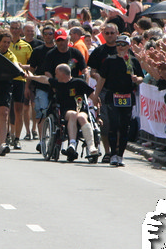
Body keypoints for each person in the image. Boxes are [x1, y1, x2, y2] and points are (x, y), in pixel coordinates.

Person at [24, 63, 99, 161]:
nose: (55, 75)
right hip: (65, 112)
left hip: (80, 110)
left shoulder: (79, 83)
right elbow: (44, 79)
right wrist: (32, 77)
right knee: (73, 114)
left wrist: (98, 115)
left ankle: (91, 146)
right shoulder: (57, 83)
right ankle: (72, 144)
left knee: (81, 117)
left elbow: (94, 97)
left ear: (62, 74)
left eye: (56, 73)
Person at [92, 34, 143, 167]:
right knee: (113, 124)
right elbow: (102, 78)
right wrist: (96, 95)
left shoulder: (133, 60)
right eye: (118, 44)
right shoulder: (110, 60)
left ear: (128, 46)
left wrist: (137, 79)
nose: (120, 47)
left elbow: (141, 77)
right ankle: (113, 154)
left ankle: (120, 155)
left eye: (123, 44)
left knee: (124, 126)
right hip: (112, 95)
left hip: (127, 96)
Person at [87, 23, 120, 163]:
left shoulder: (122, 50)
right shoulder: (98, 51)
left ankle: (116, 151)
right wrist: (99, 77)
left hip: (120, 92)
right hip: (104, 91)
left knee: (118, 123)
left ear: (117, 34)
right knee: (105, 123)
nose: (110, 35)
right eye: (107, 33)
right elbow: (92, 71)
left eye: (112, 33)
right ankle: (107, 152)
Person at [28, 23, 57, 151]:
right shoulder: (37, 51)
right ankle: (42, 140)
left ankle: (55, 139)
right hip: (41, 86)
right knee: (41, 114)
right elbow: (31, 70)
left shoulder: (59, 50)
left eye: (50, 34)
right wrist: (27, 87)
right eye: (45, 34)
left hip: (58, 86)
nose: (48, 36)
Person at [8, 20, 33, 149]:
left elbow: (31, 66)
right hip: (6, 80)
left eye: (17, 28)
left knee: (19, 110)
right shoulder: (5, 43)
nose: (14, 30)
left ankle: (17, 138)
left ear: (21, 30)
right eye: (12, 28)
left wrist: (28, 85)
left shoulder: (26, 46)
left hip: (20, 80)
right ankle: (7, 135)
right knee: (6, 110)